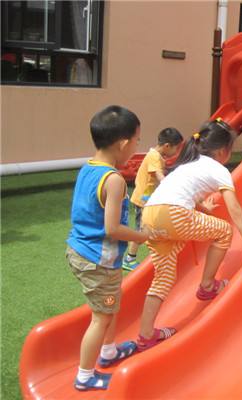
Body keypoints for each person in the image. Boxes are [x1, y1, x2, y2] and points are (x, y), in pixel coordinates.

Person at [136, 118, 242, 351]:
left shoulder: (187, 165)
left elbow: (179, 192)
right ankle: (207, 286)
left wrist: (203, 207)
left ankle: (145, 334)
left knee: (163, 278)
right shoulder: (219, 170)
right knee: (224, 230)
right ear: (222, 151)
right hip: (173, 214)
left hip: (149, 216)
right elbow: (234, 207)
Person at [66, 105, 160, 391]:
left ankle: (108, 351)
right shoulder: (115, 180)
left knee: (112, 301)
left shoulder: (89, 167)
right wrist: (143, 236)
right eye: (136, 141)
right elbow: (112, 229)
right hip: (98, 260)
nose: (136, 147)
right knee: (102, 315)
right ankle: (85, 376)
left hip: (83, 251)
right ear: (122, 143)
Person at [123, 127, 184, 271]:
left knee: (152, 228)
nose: (176, 152)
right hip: (143, 201)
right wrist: (169, 185)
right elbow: (158, 174)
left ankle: (154, 254)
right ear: (167, 146)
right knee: (141, 231)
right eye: (176, 148)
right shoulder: (154, 156)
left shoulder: (156, 156)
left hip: (148, 200)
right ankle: (129, 259)